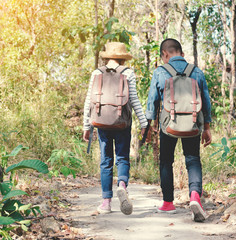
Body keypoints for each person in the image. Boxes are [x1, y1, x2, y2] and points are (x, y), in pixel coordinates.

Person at [145, 38, 212, 222]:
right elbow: (206, 102)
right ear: (181, 53)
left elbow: (152, 101)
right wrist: (206, 127)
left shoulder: (160, 71)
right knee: (193, 159)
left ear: (165, 54)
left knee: (166, 161)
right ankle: (195, 197)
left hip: (169, 126)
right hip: (192, 124)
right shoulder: (196, 71)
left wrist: (149, 126)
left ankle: (168, 203)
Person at [83, 42, 148, 215]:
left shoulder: (97, 73)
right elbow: (134, 100)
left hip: (102, 122)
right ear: (122, 58)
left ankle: (106, 203)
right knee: (122, 158)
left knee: (105, 161)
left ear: (106, 56)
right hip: (122, 122)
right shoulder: (128, 73)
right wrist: (144, 124)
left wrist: (86, 126)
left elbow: (88, 101)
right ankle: (121, 185)